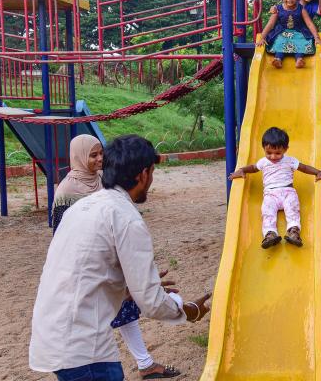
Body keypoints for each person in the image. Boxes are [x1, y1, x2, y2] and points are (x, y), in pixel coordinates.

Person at [30, 135, 211, 381]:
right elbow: (151, 302)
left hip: (51, 334)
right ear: (144, 174)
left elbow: (82, 271)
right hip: (83, 348)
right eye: (152, 172)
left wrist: (130, 288)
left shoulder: (81, 207)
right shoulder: (127, 218)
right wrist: (187, 311)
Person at [228, 127, 321, 249]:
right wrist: (242, 170)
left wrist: (318, 173)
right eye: (269, 153)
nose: (273, 156)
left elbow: (304, 168)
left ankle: (293, 232)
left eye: (277, 153)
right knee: (267, 212)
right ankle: (270, 234)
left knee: (293, 209)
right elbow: (253, 167)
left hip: (288, 192)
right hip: (270, 195)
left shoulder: (290, 161)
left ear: (285, 149)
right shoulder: (263, 162)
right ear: (264, 149)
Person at [256, 0, 321, 69]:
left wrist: (317, 38)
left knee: (302, 42)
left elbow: (309, 24)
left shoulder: (301, 9)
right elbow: (270, 24)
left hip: (298, 32)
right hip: (282, 32)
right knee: (279, 41)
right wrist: (262, 37)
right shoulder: (277, 9)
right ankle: (278, 59)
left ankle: (299, 59)